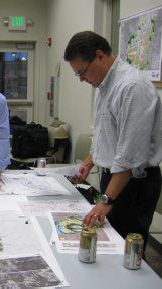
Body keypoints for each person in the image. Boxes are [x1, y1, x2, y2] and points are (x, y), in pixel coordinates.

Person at [64, 31, 162, 248]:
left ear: (99, 56)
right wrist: (91, 160)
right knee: (107, 245)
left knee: (124, 250)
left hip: (134, 184)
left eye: (82, 72)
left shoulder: (132, 87)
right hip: (115, 180)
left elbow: (129, 156)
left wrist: (106, 201)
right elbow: (105, 132)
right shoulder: (103, 85)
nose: (81, 79)